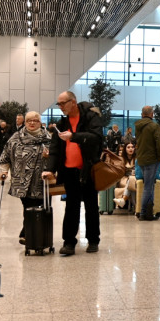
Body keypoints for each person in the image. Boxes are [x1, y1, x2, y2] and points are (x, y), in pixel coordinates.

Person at [43, 91, 105, 255]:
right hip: (69, 171)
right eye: (59, 104)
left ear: (73, 102)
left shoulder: (91, 117)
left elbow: (97, 138)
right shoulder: (62, 123)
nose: (60, 107)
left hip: (88, 169)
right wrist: (50, 169)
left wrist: (74, 136)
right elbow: (55, 149)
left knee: (91, 206)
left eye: (63, 103)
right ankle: (69, 242)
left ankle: (93, 240)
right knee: (71, 206)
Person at [0, 111, 50, 243]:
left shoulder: (48, 138)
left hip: (42, 180)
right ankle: (28, 234)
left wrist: (49, 156)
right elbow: (5, 156)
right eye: (29, 120)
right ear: (25, 122)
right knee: (28, 207)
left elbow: (57, 156)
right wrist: (4, 171)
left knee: (41, 207)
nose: (32, 123)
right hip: (22, 181)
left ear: (40, 123)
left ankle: (33, 235)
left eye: (35, 120)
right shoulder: (16, 137)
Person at [134, 105, 160, 220]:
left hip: (141, 158)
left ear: (142, 114)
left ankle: (149, 213)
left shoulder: (137, 126)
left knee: (150, 185)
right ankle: (143, 213)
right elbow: (159, 143)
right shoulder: (154, 126)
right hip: (152, 159)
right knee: (148, 186)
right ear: (152, 114)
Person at [113, 142, 137, 210]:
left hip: (135, 178)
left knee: (132, 181)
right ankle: (136, 206)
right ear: (125, 149)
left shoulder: (137, 158)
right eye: (128, 147)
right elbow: (119, 172)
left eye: (132, 147)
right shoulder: (121, 159)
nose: (131, 149)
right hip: (124, 178)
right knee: (131, 182)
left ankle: (123, 200)